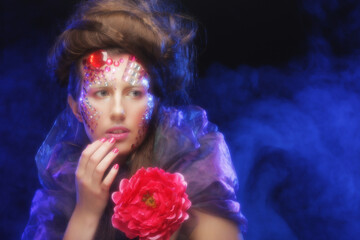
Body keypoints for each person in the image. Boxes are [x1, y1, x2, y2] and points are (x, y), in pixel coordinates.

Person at [22, 0, 247, 239]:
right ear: (76, 108)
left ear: (155, 101)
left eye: (134, 93)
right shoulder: (64, 179)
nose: (118, 111)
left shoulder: (195, 158)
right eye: (102, 93)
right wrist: (85, 212)